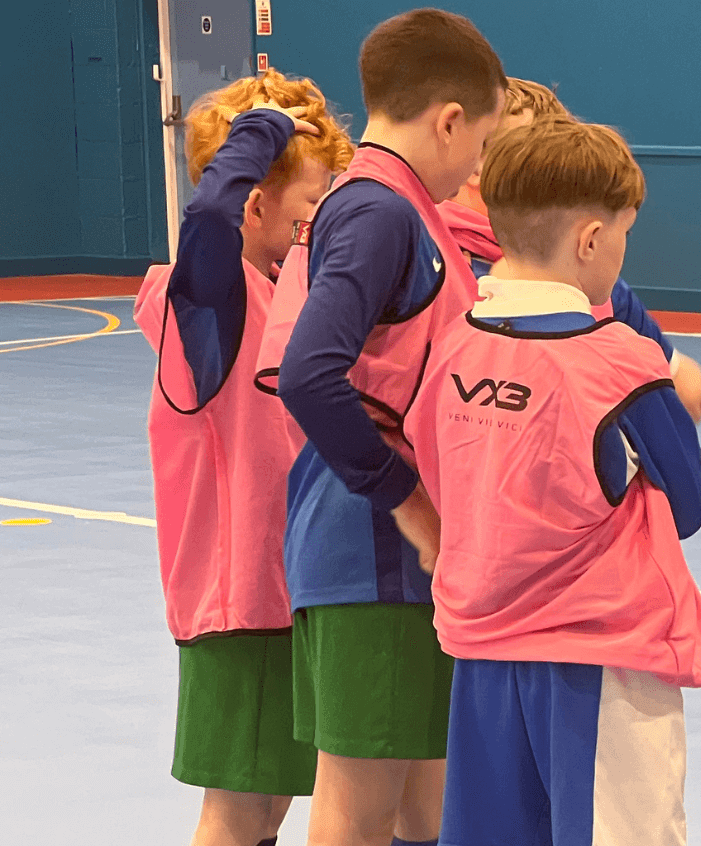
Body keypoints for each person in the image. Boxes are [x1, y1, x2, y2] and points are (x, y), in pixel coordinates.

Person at [404, 116, 701, 846]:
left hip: (481, 654)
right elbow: (688, 505)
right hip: (599, 660)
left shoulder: (451, 346)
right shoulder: (624, 363)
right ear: (590, 239)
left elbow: (438, 472)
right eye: (624, 233)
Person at [254, 9, 505, 846]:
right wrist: (413, 508)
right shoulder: (379, 212)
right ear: (449, 120)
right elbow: (308, 376)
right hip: (372, 559)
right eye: (482, 144)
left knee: (421, 808)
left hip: (397, 567)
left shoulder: (406, 211)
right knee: (357, 815)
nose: (478, 166)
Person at [135, 69, 351, 846]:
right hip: (238, 599)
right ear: (257, 207)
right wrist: (261, 128)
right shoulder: (208, 306)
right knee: (236, 808)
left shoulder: (285, 296)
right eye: (311, 203)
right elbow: (205, 219)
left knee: (272, 803)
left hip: (286, 591)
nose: (323, 219)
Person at [436, 77, 701, 423]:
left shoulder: (593, 277)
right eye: (528, 155)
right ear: (475, 164)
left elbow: (685, 387)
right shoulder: (431, 268)